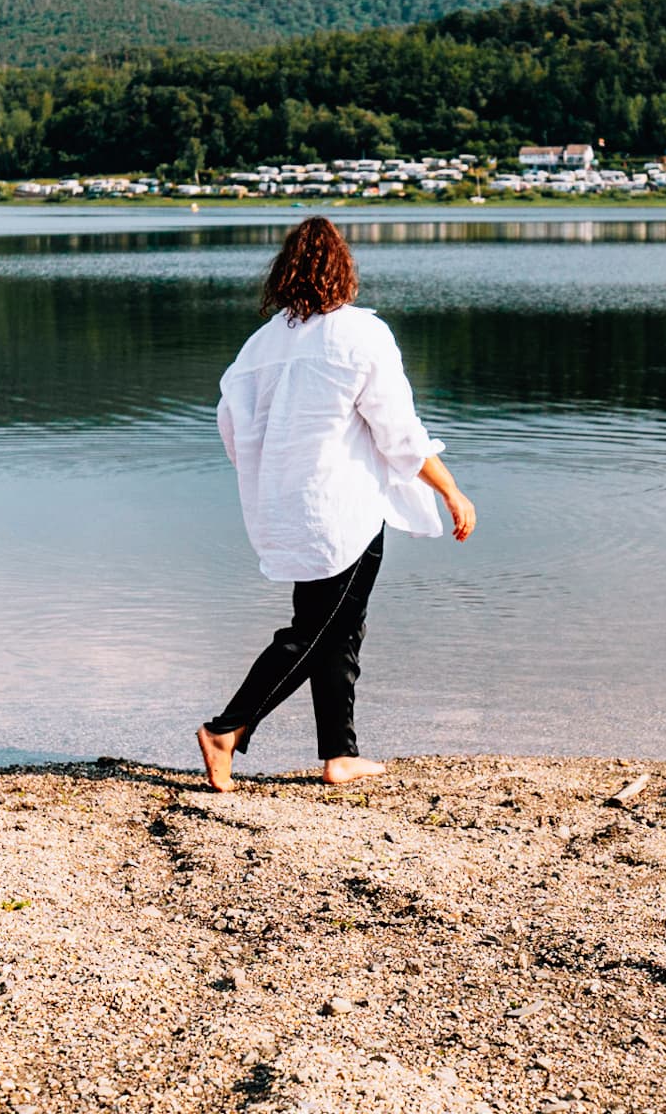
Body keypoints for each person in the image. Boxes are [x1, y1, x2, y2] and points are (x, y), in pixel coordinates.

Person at [197, 217, 476, 792]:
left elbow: (230, 423)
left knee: (339, 627)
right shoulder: (360, 335)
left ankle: (340, 754)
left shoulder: (263, 343)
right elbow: (398, 434)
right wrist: (450, 489)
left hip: (287, 506)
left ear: (285, 273)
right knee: (318, 630)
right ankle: (227, 729)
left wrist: (268, 472)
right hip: (341, 507)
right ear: (343, 269)